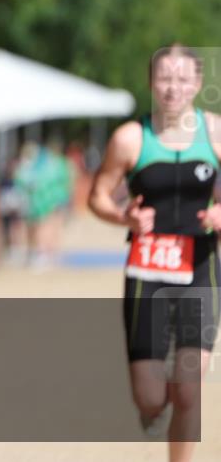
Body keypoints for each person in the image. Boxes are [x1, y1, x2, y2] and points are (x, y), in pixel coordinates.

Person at [88, 44, 220, 462]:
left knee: (188, 387)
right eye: (165, 78)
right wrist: (124, 218)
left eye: (183, 79)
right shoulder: (130, 138)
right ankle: (151, 410)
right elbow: (97, 198)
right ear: (151, 82)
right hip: (148, 270)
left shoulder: (216, 132)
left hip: (201, 265)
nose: (173, 87)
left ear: (198, 84)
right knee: (150, 398)